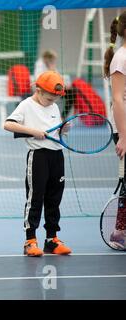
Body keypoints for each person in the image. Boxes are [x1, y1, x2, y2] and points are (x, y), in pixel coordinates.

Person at [4, 70, 72, 257]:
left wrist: (63, 129)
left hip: (57, 156)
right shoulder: (26, 105)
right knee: (35, 198)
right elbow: (8, 124)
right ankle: (30, 240)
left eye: (55, 99)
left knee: (54, 199)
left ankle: (52, 239)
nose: (52, 102)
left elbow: (54, 132)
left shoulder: (54, 107)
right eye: (50, 98)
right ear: (39, 90)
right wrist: (33, 131)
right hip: (38, 157)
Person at [103, 12, 126, 248]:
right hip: (124, 129)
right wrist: (124, 137)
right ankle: (119, 230)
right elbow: (118, 100)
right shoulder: (120, 58)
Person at [34, 49, 75, 118]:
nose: (53, 61)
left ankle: (63, 117)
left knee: (72, 92)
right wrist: (51, 69)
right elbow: (40, 80)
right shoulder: (40, 65)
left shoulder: (51, 65)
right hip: (44, 89)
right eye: (52, 59)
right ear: (46, 58)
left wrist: (64, 85)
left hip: (54, 87)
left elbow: (57, 77)